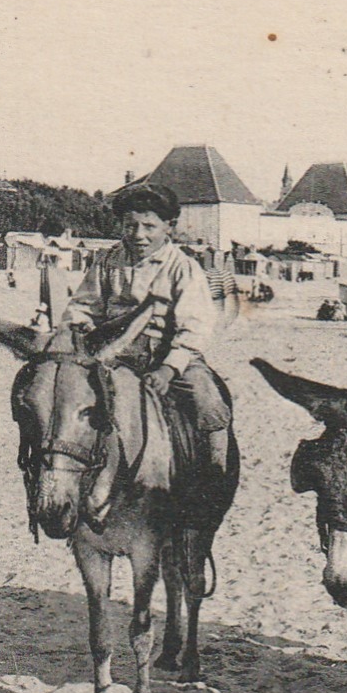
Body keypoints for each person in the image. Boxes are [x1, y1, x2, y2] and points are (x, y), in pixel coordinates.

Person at [61, 182, 233, 512]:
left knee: (209, 401)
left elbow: (195, 326)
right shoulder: (108, 261)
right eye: (130, 226)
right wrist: (80, 327)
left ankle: (214, 477)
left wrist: (170, 368)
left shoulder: (181, 267)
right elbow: (83, 305)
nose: (139, 235)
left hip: (164, 353)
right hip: (111, 353)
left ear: (169, 228)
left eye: (149, 226)